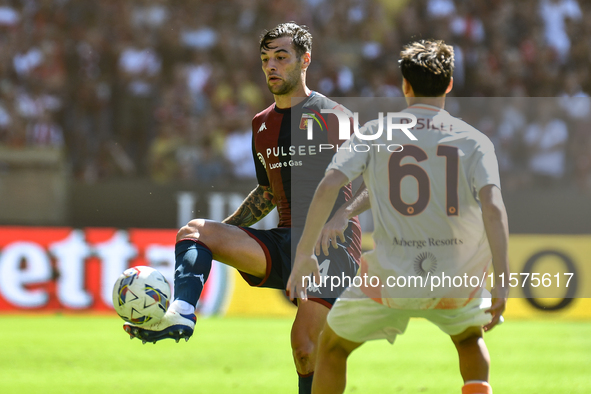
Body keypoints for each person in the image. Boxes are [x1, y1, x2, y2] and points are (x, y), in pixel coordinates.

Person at [123, 22, 363, 394]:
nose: (271, 66)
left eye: (281, 57)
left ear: (305, 60)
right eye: (266, 59)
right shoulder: (261, 124)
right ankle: (181, 314)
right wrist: (224, 236)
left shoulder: (334, 116)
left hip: (330, 245)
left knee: (304, 348)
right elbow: (267, 193)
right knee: (196, 232)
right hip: (285, 240)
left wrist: (343, 216)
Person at [287, 39, 510, 394]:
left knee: (333, 347)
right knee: (469, 341)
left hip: (391, 279)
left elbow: (329, 184)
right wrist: (502, 279)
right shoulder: (474, 141)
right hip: (453, 276)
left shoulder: (376, 132)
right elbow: (494, 209)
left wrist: (304, 253)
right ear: (450, 84)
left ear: (404, 85)